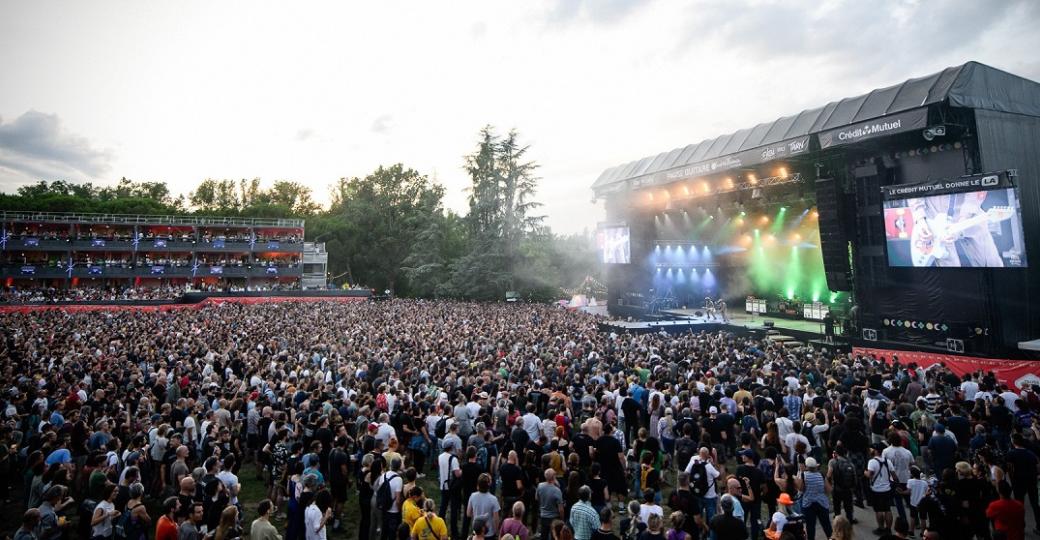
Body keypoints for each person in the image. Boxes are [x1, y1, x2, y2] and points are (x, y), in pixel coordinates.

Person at [795, 457, 831, 539]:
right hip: (822, 504)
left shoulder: (804, 475)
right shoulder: (821, 475)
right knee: (827, 526)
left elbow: (800, 489)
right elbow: (828, 490)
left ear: (807, 466)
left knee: (810, 527)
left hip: (808, 504)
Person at [866, 443, 895, 535]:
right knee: (887, 509)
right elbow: (894, 475)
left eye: (872, 449)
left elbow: (870, 476)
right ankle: (888, 529)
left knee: (878, 510)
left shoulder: (872, 462)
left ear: (876, 451)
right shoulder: (887, 461)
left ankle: (881, 528)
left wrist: (865, 472)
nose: (871, 450)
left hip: (876, 490)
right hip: (887, 489)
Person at [466, 473, 500, 539]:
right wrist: (496, 531)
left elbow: (468, 514)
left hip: (477, 531)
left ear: (478, 484)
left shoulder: (473, 496)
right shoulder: (493, 499)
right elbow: (496, 519)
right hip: (489, 533)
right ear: (489, 484)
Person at [537, 469, 565, 540]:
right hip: (554, 517)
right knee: (554, 536)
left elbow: (537, 498)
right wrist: (562, 519)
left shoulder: (540, 486)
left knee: (543, 535)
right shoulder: (557, 490)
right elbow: (561, 509)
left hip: (543, 515)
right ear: (554, 477)